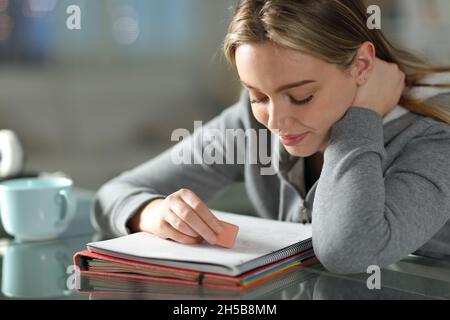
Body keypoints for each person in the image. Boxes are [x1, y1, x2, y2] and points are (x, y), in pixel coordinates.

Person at [93, 0, 450, 274]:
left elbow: (347, 250)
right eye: (258, 95)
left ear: (361, 66)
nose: (276, 122)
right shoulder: (252, 122)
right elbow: (113, 193)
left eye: (301, 97)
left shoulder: (433, 136)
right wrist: (152, 213)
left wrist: (361, 117)